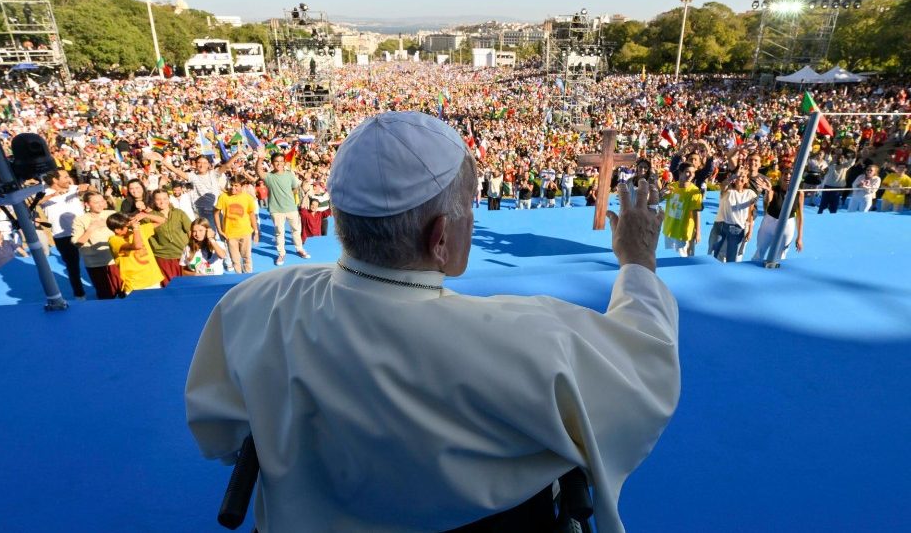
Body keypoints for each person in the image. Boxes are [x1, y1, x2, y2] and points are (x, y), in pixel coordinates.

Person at [185, 112, 679, 533]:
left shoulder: (254, 302)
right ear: (440, 236)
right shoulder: (531, 339)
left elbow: (220, 437)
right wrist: (637, 260)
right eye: (469, 209)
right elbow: (645, 367)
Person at [255, 148, 309, 266]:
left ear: (284, 162)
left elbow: (295, 188)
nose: (279, 163)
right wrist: (260, 159)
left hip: (291, 208)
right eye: (276, 161)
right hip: (276, 210)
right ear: (272, 163)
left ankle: (299, 249)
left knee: (296, 230)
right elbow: (259, 172)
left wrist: (288, 196)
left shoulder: (290, 175)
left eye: (281, 161)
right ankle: (281, 253)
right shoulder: (269, 177)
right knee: (279, 233)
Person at [39, 170, 88, 299]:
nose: (69, 179)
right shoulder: (43, 192)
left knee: (97, 260)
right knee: (73, 267)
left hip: (84, 231)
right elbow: (31, 204)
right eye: (65, 177)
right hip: (62, 236)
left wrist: (85, 188)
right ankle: (79, 295)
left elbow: (88, 189)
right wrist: (52, 195)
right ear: (55, 180)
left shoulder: (73, 188)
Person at [71, 191, 121, 300]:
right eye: (95, 202)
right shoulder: (80, 220)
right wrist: (90, 230)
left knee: (123, 292)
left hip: (116, 260)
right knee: (105, 295)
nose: (100, 204)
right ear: (87, 205)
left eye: (102, 201)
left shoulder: (111, 214)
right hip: (96, 264)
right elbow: (77, 244)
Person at [107, 212, 165, 296]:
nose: (129, 226)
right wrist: (136, 229)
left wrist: (145, 215)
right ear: (117, 230)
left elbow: (162, 221)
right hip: (135, 284)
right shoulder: (114, 240)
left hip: (153, 279)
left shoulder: (138, 230)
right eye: (126, 226)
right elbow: (137, 246)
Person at [753, 169, 804, 262]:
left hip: (787, 225)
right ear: (781, 176)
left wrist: (799, 237)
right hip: (769, 224)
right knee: (760, 251)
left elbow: (800, 216)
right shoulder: (773, 189)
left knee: (781, 255)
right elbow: (768, 200)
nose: (788, 176)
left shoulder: (799, 193)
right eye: (785, 173)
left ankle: (775, 274)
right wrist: (768, 191)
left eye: (790, 174)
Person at [214, 174, 260, 274]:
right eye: (232, 185)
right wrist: (219, 229)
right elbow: (216, 213)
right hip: (230, 234)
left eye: (236, 186)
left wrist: (256, 231)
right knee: (235, 260)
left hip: (245, 233)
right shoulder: (223, 197)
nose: (233, 188)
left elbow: (252, 215)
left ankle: (248, 278)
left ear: (243, 186)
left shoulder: (248, 198)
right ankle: (239, 279)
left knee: (247, 258)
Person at [149, 189, 192, 285]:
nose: (162, 202)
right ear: (154, 201)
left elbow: (190, 231)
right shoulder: (150, 216)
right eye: (158, 199)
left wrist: (192, 249)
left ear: (169, 199)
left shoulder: (179, 213)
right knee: (168, 286)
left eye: (164, 198)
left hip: (182, 255)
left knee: (187, 284)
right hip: (163, 256)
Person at [660, 162, 703, 257]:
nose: (691, 175)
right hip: (668, 229)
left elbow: (696, 213)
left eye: (693, 172)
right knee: (669, 258)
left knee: (682, 259)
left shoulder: (694, 191)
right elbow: (659, 199)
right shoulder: (672, 187)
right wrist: (662, 193)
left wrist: (698, 231)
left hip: (682, 232)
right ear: (680, 173)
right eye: (688, 172)